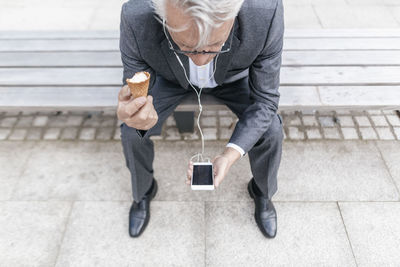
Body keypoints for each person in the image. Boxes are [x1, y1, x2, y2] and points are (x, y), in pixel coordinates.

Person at [117, 0, 284, 238]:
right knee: (130, 131)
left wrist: (230, 154)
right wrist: (137, 113)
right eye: (185, 46)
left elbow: (265, 102)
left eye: (216, 45)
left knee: (272, 131)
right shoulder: (136, 16)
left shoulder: (265, 12)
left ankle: (262, 192)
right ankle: (143, 192)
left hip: (232, 79)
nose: (200, 60)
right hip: (170, 80)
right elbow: (136, 84)